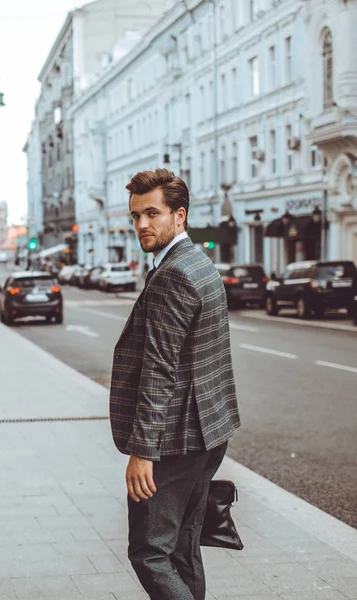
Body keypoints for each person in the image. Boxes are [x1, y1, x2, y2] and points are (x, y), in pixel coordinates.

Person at [109, 169, 240, 600]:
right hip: (207, 432)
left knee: (150, 552)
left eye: (152, 213)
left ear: (179, 216)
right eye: (135, 216)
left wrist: (143, 451)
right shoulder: (198, 263)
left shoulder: (172, 275)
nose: (142, 225)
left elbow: (159, 368)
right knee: (182, 547)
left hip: (175, 440)